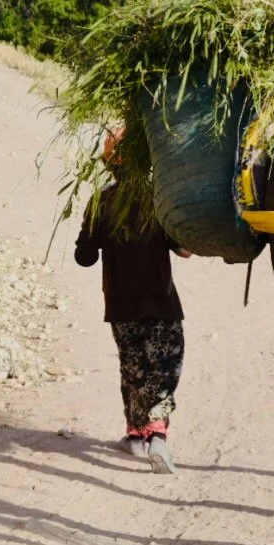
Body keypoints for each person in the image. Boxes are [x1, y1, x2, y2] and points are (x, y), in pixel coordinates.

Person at [74, 176, 189, 474]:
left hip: (120, 306)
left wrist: (96, 234)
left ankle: (136, 434)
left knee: (133, 369)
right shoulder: (158, 199)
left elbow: (83, 257)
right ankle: (158, 436)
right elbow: (185, 250)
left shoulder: (102, 201)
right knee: (163, 368)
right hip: (159, 303)